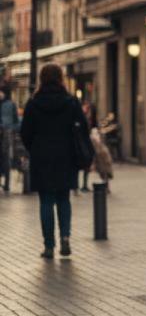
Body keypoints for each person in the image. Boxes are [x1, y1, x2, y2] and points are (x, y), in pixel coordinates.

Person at [19, 64, 91, 259]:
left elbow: (25, 132)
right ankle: (65, 237)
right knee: (63, 198)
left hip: (42, 157)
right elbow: (84, 129)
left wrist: (35, 146)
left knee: (46, 201)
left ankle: (49, 245)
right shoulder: (71, 102)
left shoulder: (34, 104)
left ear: (42, 79)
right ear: (61, 78)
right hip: (66, 156)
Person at [0, 84, 19, 194]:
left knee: (6, 159)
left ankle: (7, 184)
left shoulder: (10, 104)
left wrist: (10, 128)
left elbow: (16, 121)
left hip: (6, 135)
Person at [78, 98, 97, 193]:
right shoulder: (80, 117)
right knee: (79, 166)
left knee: (87, 165)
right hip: (81, 143)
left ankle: (84, 185)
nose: (87, 109)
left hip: (86, 143)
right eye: (85, 107)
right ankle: (77, 186)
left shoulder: (88, 117)